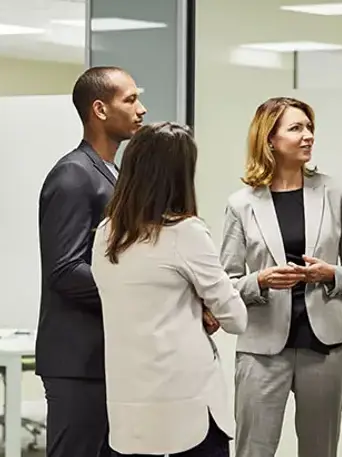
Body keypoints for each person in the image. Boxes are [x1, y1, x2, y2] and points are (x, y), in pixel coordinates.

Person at [220, 97, 342, 457]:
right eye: (296, 128)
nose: (308, 136)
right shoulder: (241, 204)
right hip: (262, 349)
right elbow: (226, 283)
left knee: (320, 451)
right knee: (253, 450)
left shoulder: (335, 192)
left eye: (309, 128)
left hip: (326, 346)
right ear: (269, 139)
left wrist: (329, 273)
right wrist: (262, 280)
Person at [93, 121, 248, 457]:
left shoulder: (105, 234)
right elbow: (236, 318)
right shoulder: (185, 233)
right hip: (187, 405)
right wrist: (204, 306)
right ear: (180, 175)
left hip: (129, 408)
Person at [34, 66, 146, 457]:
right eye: (130, 100)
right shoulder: (73, 176)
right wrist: (137, 292)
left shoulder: (112, 174)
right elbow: (65, 270)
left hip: (107, 356)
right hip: (78, 361)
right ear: (99, 109)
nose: (141, 109)